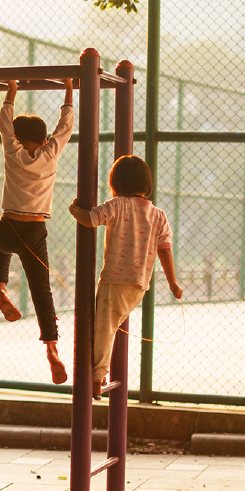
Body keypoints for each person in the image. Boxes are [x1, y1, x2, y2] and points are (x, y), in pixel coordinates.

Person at [69, 154, 183, 394]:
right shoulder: (158, 215)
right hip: (139, 285)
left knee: (104, 327)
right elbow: (165, 250)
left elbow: (90, 219)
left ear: (117, 184)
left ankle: (97, 379)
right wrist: (173, 283)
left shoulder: (118, 205)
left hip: (116, 280)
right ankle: (100, 374)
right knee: (109, 326)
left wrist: (73, 209)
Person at [0, 77, 74, 385]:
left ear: (17, 136)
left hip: (8, 224)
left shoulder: (12, 151)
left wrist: (12, 90)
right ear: (42, 139)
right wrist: (68, 87)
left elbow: (4, 121)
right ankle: (52, 349)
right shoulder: (50, 155)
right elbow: (65, 124)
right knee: (42, 291)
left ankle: (0, 289)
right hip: (34, 230)